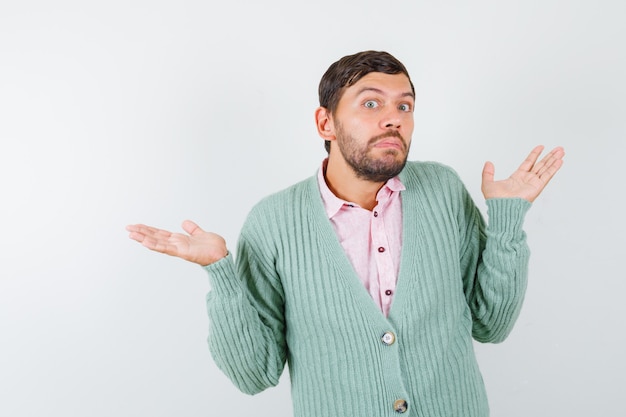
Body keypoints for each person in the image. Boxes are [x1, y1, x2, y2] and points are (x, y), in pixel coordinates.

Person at [126, 50, 564, 417]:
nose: (393, 119)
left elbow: (492, 324)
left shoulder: (443, 190)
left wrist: (508, 218)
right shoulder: (274, 221)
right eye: (371, 104)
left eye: (404, 106)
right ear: (326, 123)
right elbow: (253, 375)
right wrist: (221, 272)